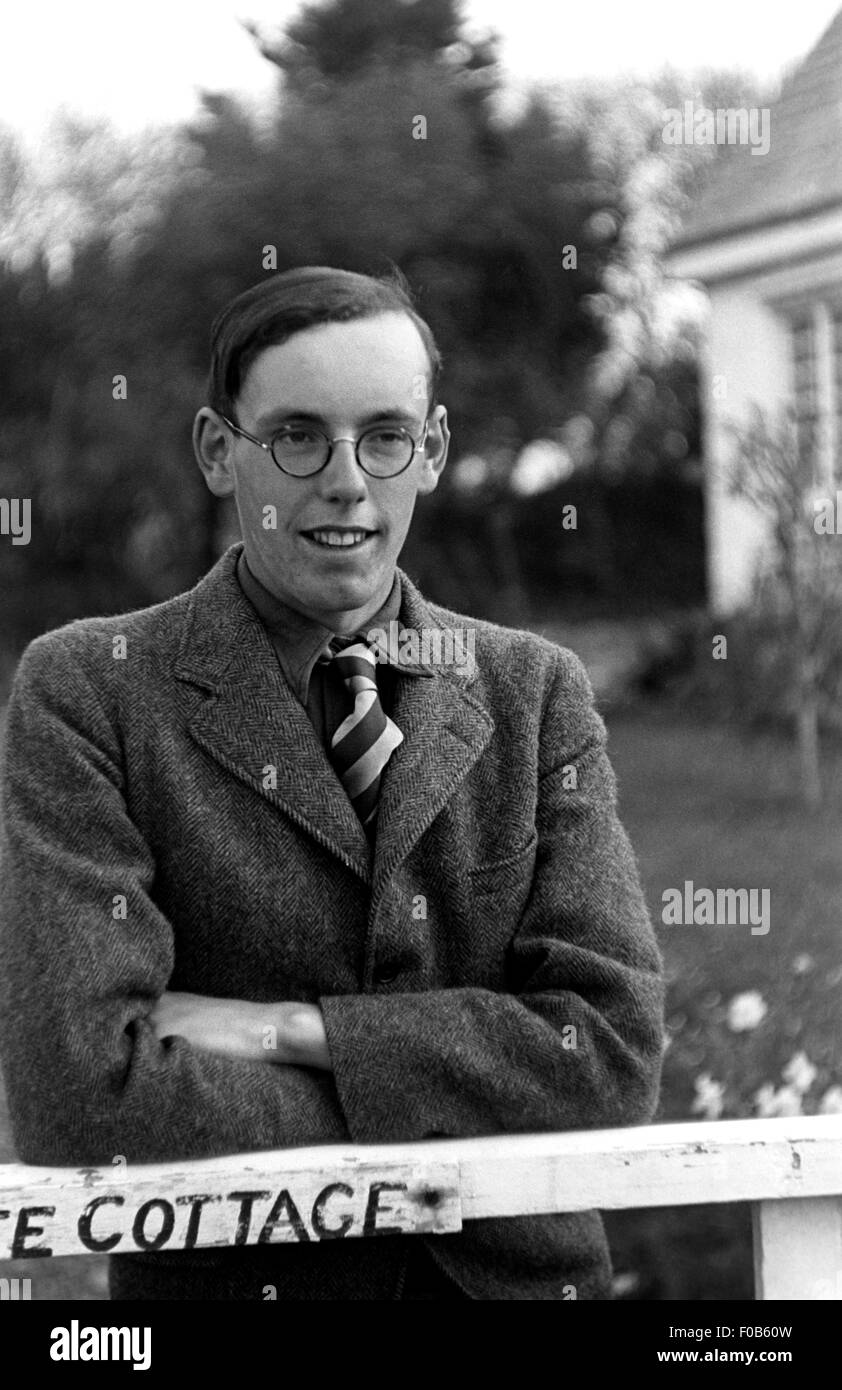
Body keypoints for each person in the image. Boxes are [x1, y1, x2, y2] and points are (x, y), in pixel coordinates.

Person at [0, 265, 665, 1300]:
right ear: (221, 453)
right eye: (297, 436)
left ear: (432, 449)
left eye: (384, 435)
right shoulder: (90, 690)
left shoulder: (533, 692)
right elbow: (80, 1095)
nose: (346, 480)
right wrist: (465, 1086)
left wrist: (286, 1031)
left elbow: (609, 1052)